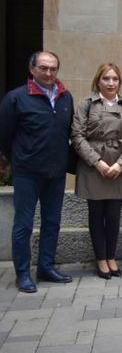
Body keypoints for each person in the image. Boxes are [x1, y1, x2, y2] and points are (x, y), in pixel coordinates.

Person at [0, 51, 74, 293]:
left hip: (56, 172)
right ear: (32, 70)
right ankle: (23, 273)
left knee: (52, 223)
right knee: (23, 225)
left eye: (53, 68)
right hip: (27, 173)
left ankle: (46, 266)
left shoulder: (65, 97)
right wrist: (20, 159)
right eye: (43, 68)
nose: (49, 73)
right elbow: (5, 136)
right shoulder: (16, 98)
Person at [71, 63, 122, 279]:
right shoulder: (86, 105)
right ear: (98, 80)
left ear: (120, 81)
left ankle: (111, 256)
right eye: (106, 78)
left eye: (115, 79)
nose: (111, 83)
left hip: (119, 166)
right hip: (94, 166)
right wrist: (97, 162)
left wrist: (121, 164)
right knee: (96, 214)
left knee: (113, 215)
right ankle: (100, 258)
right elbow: (77, 136)